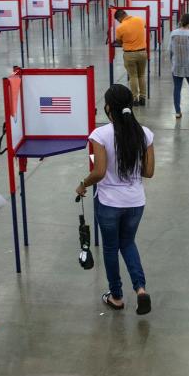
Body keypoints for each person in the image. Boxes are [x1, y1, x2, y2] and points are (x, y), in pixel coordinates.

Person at [76, 84, 154, 316]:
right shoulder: (145, 134)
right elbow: (148, 172)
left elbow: (99, 172)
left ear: (109, 108)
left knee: (111, 248)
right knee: (128, 243)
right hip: (135, 202)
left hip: (109, 202)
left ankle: (117, 297)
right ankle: (140, 289)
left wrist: (83, 184)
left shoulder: (100, 135)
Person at [168, 13, 189, 119]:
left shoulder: (173, 33)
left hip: (176, 65)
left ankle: (178, 112)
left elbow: (169, 49)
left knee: (177, 88)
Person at [114, 9, 148, 106]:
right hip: (142, 53)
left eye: (118, 20)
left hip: (129, 54)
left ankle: (135, 99)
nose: (119, 22)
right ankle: (143, 98)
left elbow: (119, 41)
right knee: (141, 75)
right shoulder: (140, 20)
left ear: (120, 17)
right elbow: (144, 27)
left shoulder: (120, 28)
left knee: (133, 76)